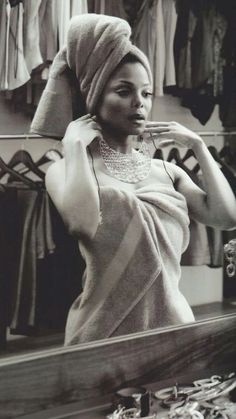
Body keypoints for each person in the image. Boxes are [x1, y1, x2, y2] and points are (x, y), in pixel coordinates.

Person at [31, 14, 236, 346]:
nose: (139, 103)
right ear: (94, 96)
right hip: (102, 332)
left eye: (146, 93)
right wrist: (74, 144)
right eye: (123, 91)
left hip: (173, 328)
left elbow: (226, 218)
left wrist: (198, 146)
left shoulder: (167, 172)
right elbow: (83, 224)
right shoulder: (63, 170)